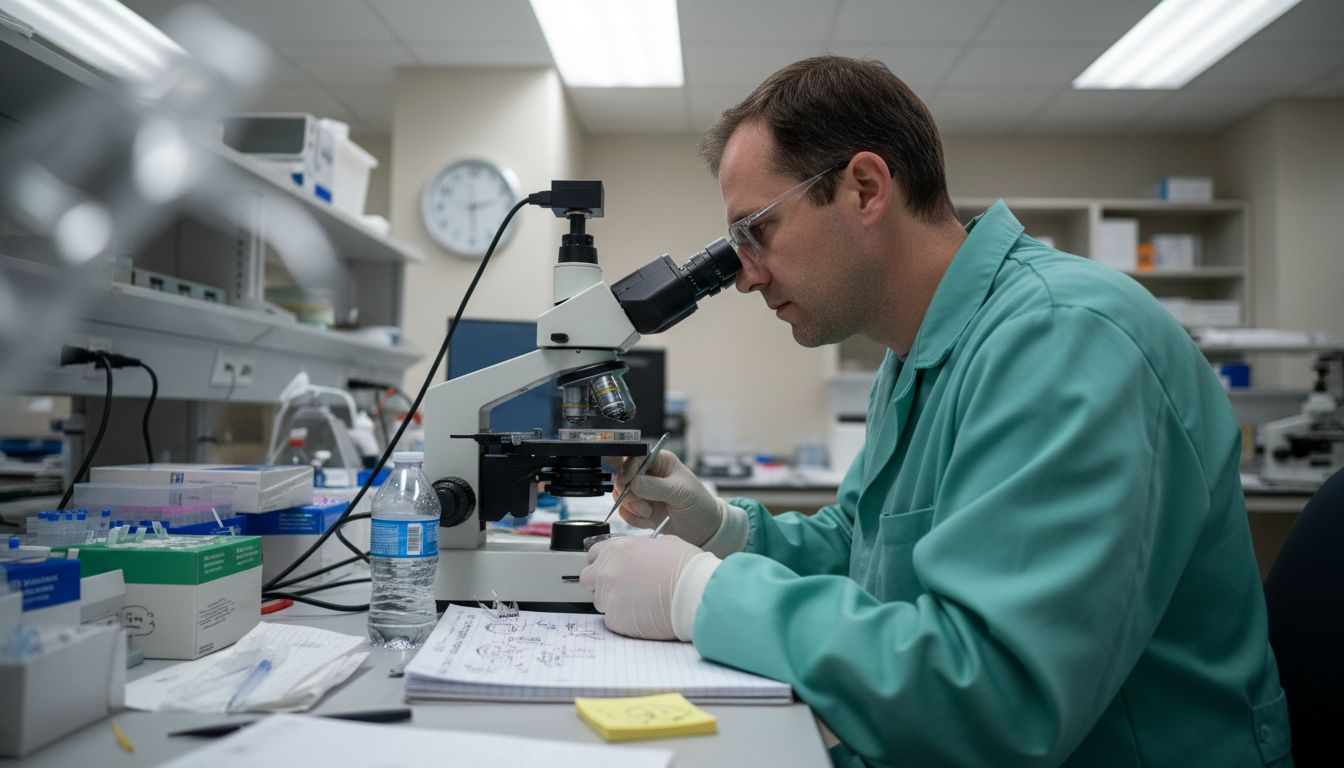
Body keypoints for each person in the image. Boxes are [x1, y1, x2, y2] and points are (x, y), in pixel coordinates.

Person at [579, 56, 1289, 768]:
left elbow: (996, 697)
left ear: (864, 188)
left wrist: (699, 594)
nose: (744, 276)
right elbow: (864, 549)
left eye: (755, 232)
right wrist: (722, 529)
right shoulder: (920, 348)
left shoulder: (1065, 338)